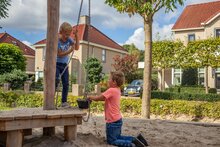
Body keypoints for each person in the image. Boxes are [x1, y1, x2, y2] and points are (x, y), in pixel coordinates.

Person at [88, 71, 148, 147]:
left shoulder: (111, 90)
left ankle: (131, 144)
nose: (107, 80)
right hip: (118, 119)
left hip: (112, 121)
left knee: (112, 140)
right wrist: (94, 98)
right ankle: (136, 139)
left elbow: (99, 98)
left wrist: (90, 97)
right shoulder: (117, 90)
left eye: (109, 79)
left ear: (114, 82)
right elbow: (105, 99)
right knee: (118, 137)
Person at [56, 22, 79, 107]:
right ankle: (51, 100)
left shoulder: (69, 39)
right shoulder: (57, 40)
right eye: (65, 34)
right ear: (60, 32)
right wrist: (69, 51)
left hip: (64, 65)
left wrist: (76, 36)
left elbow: (76, 48)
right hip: (56, 64)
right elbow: (59, 54)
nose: (67, 37)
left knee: (66, 83)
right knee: (55, 80)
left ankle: (64, 102)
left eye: (68, 35)